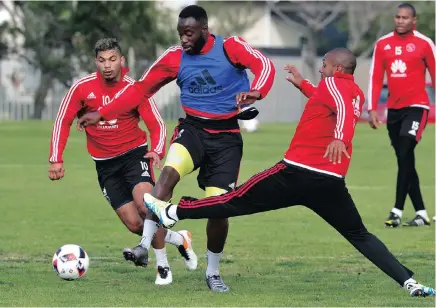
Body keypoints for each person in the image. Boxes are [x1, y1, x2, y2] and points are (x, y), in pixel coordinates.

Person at [143, 48, 435, 297]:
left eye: (324, 65)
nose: (321, 68)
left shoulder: (337, 86)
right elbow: (331, 101)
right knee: (360, 235)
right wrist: (302, 84)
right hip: (330, 184)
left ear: (336, 68)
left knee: (234, 199)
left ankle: (174, 212)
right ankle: (408, 281)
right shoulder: (352, 90)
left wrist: (340, 139)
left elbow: (343, 111)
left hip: (296, 172)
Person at [77, 5, 275, 292]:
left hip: (226, 138)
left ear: (204, 30)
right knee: (167, 176)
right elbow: (140, 89)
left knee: (219, 210)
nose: (184, 39)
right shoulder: (174, 57)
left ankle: (213, 271)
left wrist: (259, 89)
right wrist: (103, 113)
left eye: (189, 33)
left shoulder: (231, 47)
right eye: (180, 33)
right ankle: (145, 245)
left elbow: (265, 66)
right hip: (192, 130)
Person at [48, 38, 197, 285]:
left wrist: (157, 150)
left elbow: (156, 123)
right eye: (102, 60)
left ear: (122, 60)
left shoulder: (135, 89)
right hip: (105, 165)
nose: (107, 65)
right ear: (96, 62)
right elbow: (63, 120)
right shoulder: (82, 88)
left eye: (112, 59)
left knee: (146, 206)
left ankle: (163, 268)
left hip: (134, 156)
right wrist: (56, 159)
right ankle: (180, 240)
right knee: (134, 223)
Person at [367, 2, 435, 227]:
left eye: (405, 18)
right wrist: (372, 108)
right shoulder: (383, 44)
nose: (400, 21)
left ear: (413, 20)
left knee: (406, 148)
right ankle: (422, 213)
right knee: (404, 159)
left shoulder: (425, 44)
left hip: (417, 107)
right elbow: (375, 77)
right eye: (397, 17)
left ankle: (396, 211)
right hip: (393, 111)